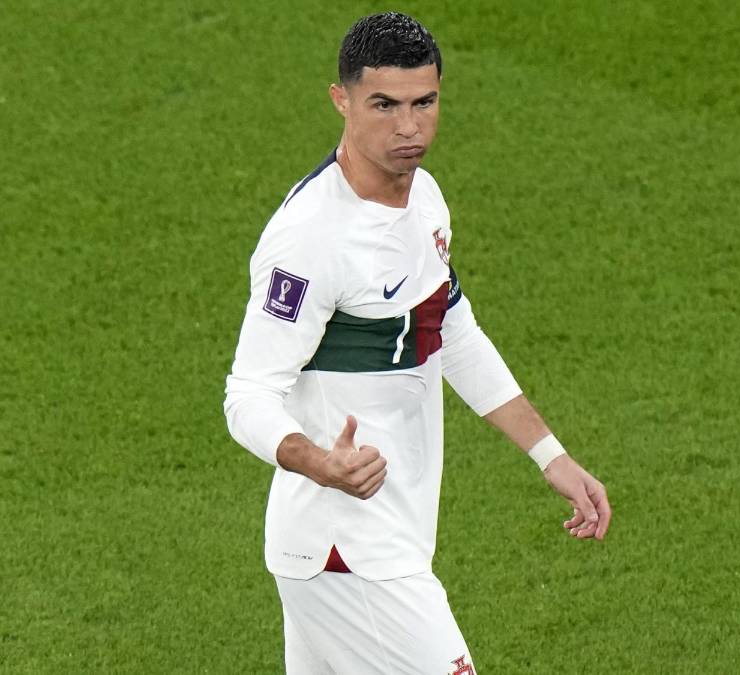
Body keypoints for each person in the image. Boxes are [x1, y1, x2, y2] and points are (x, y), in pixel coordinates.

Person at [223, 12, 611, 674]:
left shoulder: (424, 199)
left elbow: (453, 332)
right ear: (341, 100)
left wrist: (550, 455)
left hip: (384, 538)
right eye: (385, 105)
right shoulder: (311, 238)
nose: (409, 127)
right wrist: (317, 461)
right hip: (347, 549)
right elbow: (248, 393)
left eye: (423, 103)